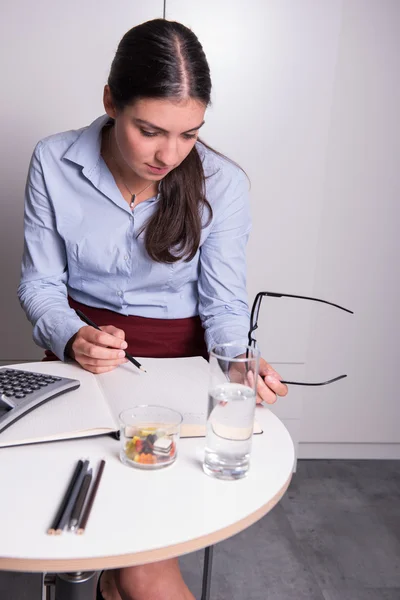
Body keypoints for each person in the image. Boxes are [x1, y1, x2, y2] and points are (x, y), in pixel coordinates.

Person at [18, 18, 288, 600]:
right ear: (111, 101)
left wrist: (242, 364)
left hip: (177, 371)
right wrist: (73, 336)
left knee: (140, 562)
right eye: (149, 130)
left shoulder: (224, 182)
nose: (170, 154)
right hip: (78, 364)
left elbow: (223, 304)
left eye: (190, 134)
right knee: (64, 522)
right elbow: (39, 285)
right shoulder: (53, 159)